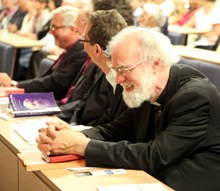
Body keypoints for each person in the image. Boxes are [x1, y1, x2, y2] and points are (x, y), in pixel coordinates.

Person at [37, 27, 220, 191]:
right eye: (116, 70)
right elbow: (117, 129)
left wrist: (82, 146)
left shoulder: (195, 97)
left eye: (124, 69)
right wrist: (75, 136)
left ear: (155, 64)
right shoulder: (148, 86)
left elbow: (154, 155)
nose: (118, 79)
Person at [0, 6, 88, 101]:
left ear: (72, 29)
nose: (50, 32)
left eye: (55, 27)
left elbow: (54, 84)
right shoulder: (70, 50)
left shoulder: (81, 54)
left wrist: (15, 84)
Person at [58, 8, 128, 125]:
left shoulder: (126, 83)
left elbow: (112, 126)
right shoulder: (102, 68)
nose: (80, 41)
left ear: (96, 49)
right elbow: (84, 102)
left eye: (83, 39)